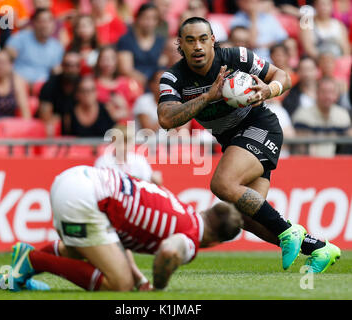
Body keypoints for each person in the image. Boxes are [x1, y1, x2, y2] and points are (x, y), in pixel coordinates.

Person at [157, 17, 340, 272]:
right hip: (233, 141)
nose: (197, 46)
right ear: (180, 45)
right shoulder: (173, 78)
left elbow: (282, 76)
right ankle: (319, 248)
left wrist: (269, 90)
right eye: (190, 41)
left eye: (202, 39)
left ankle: (289, 232)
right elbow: (166, 119)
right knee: (243, 216)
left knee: (222, 184)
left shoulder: (236, 57)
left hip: (261, 127)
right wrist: (209, 96)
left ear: (212, 40)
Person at [0, 165, 244, 291]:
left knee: (91, 252)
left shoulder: (180, 208)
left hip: (77, 178)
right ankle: (33, 261)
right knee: (119, 283)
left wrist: (141, 279)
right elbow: (169, 251)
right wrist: (158, 288)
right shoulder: (190, 238)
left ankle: (19, 268)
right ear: (215, 242)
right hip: (85, 197)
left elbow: (120, 240)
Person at [292, 77, 351, 157]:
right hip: (310, 163)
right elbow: (301, 149)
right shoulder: (303, 115)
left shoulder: (343, 115)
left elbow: (347, 145)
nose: (328, 96)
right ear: (317, 93)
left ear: (336, 95)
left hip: (337, 164)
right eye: (324, 92)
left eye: (331, 92)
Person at [5, 8, 64, 85]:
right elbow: (5, 59)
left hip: (43, 88)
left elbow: (56, 71)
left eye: (49, 21)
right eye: (42, 21)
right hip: (18, 84)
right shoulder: (20, 39)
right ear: (34, 23)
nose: (45, 25)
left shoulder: (56, 47)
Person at [116, 3, 166, 88]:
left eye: (153, 19)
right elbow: (125, 69)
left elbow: (163, 64)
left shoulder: (161, 41)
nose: (149, 22)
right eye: (146, 18)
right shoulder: (126, 40)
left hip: (156, 85)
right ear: (138, 18)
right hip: (133, 84)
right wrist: (148, 83)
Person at [95, 124, 163, 185]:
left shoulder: (139, 160)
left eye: (127, 141)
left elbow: (151, 183)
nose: (123, 146)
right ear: (112, 142)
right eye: (119, 141)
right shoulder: (103, 162)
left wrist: (155, 179)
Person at [62, 75, 127, 137]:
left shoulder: (107, 109)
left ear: (96, 92)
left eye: (91, 90)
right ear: (77, 94)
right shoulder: (69, 115)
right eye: (83, 91)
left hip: (104, 148)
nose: (87, 94)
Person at [38, 50, 81, 136]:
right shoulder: (50, 85)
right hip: (54, 131)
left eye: (75, 66)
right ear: (62, 66)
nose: (71, 69)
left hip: (78, 129)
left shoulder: (84, 86)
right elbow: (45, 117)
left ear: (79, 68)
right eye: (68, 65)